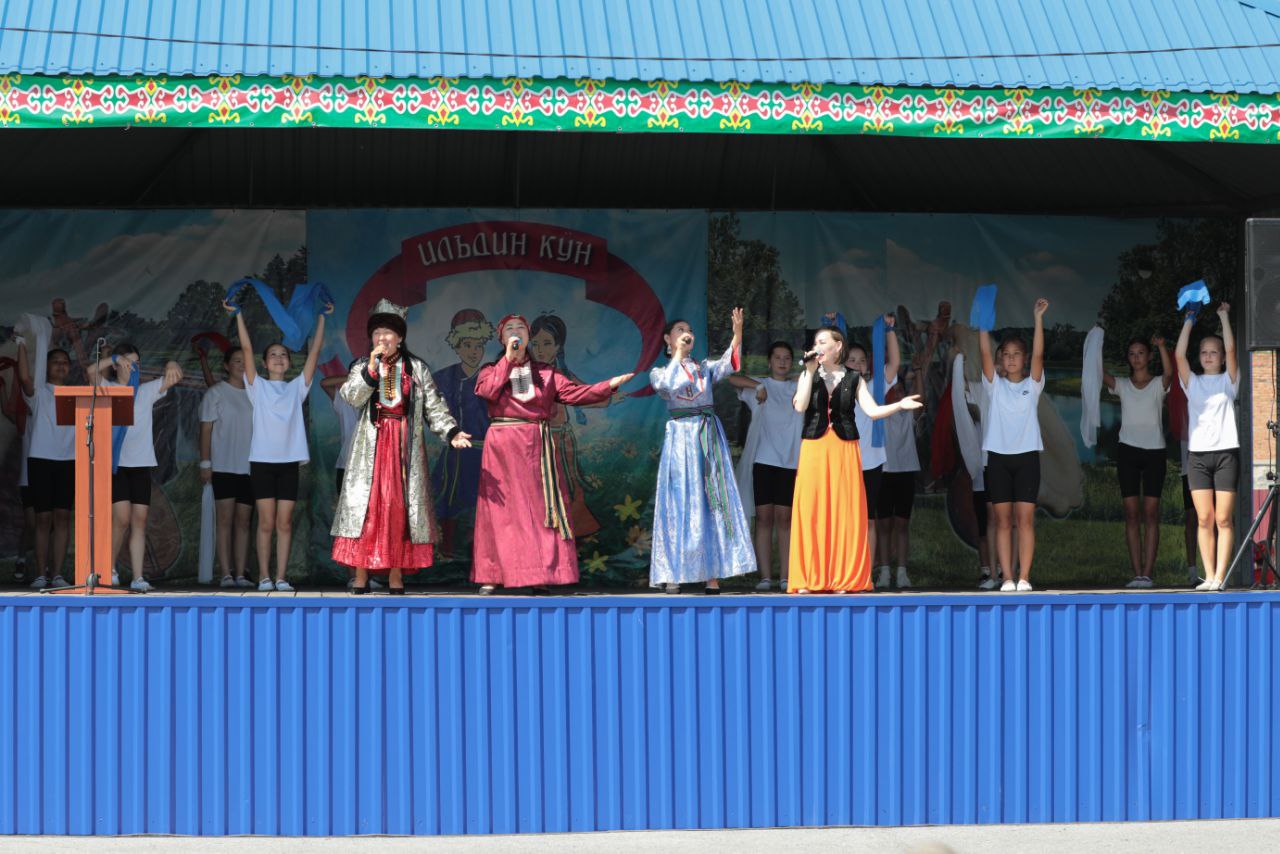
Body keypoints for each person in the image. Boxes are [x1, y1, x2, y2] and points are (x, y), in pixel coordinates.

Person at [472, 314, 632, 593]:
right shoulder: (490, 369)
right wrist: (508, 360)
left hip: (535, 445)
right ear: (501, 338)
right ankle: (493, 573)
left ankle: (540, 574)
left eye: (520, 328)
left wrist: (609, 385)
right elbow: (487, 391)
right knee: (500, 510)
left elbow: (576, 394)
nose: (515, 332)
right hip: (502, 445)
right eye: (509, 329)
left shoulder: (546, 373)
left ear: (528, 336)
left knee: (539, 508)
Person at [331, 299, 470, 594]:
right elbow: (351, 397)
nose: (381, 338)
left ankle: (396, 575)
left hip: (402, 449)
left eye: (388, 332)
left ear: (400, 337)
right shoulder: (362, 366)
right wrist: (371, 370)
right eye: (376, 333)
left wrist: (452, 432)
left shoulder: (416, 368)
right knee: (367, 508)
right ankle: (360, 574)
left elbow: (434, 406)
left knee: (398, 510)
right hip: (371, 448)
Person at [789, 326, 922, 594]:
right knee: (812, 510)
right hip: (815, 448)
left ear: (838, 346)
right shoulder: (808, 374)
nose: (818, 346)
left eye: (823, 341)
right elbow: (800, 406)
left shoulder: (854, 378)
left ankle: (844, 578)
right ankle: (809, 577)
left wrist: (899, 405)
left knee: (844, 512)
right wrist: (810, 372)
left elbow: (872, 411)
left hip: (844, 449)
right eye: (816, 342)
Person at [225, 297, 329, 592]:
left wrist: (322, 316)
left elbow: (315, 351)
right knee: (266, 523)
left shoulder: (297, 388)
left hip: (288, 465)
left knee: (284, 524)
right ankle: (264, 576)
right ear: (264, 363)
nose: (279, 358)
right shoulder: (257, 386)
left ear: (289, 362)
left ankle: (281, 577)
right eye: (273, 354)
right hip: (262, 464)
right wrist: (238, 314)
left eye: (284, 354)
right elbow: (246, 349)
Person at [650, 309, 757, 593]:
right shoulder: (659, 372)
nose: (687, 333)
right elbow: (667, 385)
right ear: (668, 339)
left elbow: (729, 364)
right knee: (680, 500)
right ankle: (674, 572)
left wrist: (737, 333)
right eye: (680, 330)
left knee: (712, 499)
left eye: (689, 330)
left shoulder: (704, 368)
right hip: (681, 437)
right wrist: (677, 354)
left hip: (707, 436)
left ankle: (712, 573)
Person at [87, 342, 184, 592]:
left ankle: (138, 577)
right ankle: (109, 568)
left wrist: (171, 364)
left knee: (140, 521)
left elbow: (174, 377)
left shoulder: (146, 390)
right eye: (128, 363)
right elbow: (90, 372)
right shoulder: (108, 388)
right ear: (117, 365)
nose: (133, 367)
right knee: (121, 518)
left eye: (137, 363)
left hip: (141, 464)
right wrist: (114, 358)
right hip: (117, 465)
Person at [979, 298, 1049, 592]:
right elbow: (984, 352)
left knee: (1025, 521)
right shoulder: (993, 385)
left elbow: (1040, 354)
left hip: (1027, 459)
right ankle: (1007, 577)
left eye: (1016, 354)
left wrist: (1038, 319)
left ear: (1024, 358)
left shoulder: (1033, 385)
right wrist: (983, 325)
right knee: (1003, 521)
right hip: (998, 459)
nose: (1010, 359)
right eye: (1006, 354)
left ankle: (1024, 577)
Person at [529, 313, 614, 538]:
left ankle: (572, 538)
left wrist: (609, 396)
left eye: (547, 343)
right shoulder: (525, 375)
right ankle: (543, 539)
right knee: (540, 490)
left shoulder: (562, 375)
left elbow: (587, 394)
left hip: (561, 441)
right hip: (537, 442)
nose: (540, 349)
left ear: (558, 346)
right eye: (535, 344)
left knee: (568, 487)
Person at [1175, 302, 1239, 591]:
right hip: (1198, 457)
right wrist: (1189, 319)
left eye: (1214, 352)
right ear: (1199, 357)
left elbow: (1233, 350)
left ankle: (1220, 577)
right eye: (1204, 352)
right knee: (1204, 518)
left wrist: (1223, 317)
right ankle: (1209, 575)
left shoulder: (1229, 381)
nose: (1209, 356)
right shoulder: (1192, 382)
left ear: (1222, 358)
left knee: (1223, 518)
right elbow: (1179, 355)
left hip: (1226, 454)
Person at [730, 341, 802, 591]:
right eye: (777, 357)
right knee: (763, 519)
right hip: (763, 461)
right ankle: (765, 577)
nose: (782, 362)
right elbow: (731, 378)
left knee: (785, 519)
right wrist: (758, 385)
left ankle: (786, 577)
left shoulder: (798, 386)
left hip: (790, 462)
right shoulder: (760, 386)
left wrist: (802, 374)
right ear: (769, 362)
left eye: (787, 358)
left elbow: (817, 375)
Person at [1103, 336, 1173, 588]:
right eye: (1132, 353)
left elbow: (1169, 373)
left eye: (1141, 352)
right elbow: (1099, 373)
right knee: (1132, 515)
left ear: (1149, 356)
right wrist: (1095, 345)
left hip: (1155, 453)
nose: (1136, 357)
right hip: (1128, 453)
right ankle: (1137, 574)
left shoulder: (1157, 384)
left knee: (1151, 514)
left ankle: (1147, 574)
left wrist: (1162, 346)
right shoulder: (1122, 385)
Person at [430, 309, 495, 557]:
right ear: (456, 346)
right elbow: (431, 410)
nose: (473, 351)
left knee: (485, 502)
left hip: (485, 452)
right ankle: (447, 549)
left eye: (478, 345)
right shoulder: (444, 377)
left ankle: (482, 551)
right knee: (448, 497)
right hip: (456, 451)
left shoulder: (492, 375)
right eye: (467, 345)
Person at [844, 315, 900, 588]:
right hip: (843, 461)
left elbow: (895, 363)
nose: (857, 364)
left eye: (862, 360)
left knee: (868, 520)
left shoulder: (875, 386)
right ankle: (844, 573)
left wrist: (889, 330)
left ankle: (865, 575)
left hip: (871, 462)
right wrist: (829, 327)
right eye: (851, 360)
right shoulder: (834, 386)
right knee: (843, 519)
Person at [16, 337, 75, 589]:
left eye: (65, 362)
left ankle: (57, 574)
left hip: (68, 461)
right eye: (55, 362)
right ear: (47, 367)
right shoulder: (39, 392)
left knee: (62, 517)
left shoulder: (77, 395)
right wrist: (21, 343)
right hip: (40, 460)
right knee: (42, 519)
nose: (61, 365)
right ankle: (41, 574)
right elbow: (24, 378)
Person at [198, 347, 255, 588]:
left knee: (244, 522)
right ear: (226, 365)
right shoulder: (216, 393)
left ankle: (240, 573)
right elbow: (206, 430)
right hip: (222, 466)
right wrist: (205, 463)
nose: (242, 365)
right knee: (224, 521)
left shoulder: (255, 393)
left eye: (245, 361)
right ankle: (225, 574)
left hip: (250, 468)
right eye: (237, 361)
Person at [877, 343, 923, 590]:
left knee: (902, 525)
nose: (896, 393)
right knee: (884, 525)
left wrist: (919, 371)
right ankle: (885, 571)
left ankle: (902, 572)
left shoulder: (907, 416)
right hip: (883, 473)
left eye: (900, 389)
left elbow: (919, 398)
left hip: (905, 472)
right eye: (891, 389)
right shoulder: (877, 415)